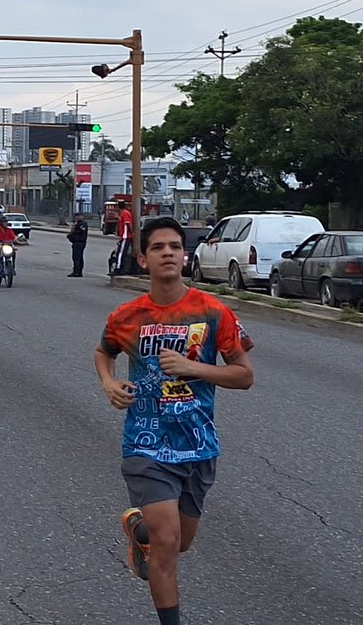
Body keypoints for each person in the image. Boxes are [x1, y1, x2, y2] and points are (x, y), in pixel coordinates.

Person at [94, 217, 255, 625]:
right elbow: (104, 351)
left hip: (198, 443)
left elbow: (244, 376)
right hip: (146, 442)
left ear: (185, 256)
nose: (168, 252)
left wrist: (194, 367)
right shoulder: (126, 316)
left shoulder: (213, 311)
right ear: (143, 258)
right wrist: (109, 382)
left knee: (179, 542)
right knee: (167, 542)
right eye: (158, 247)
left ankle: (139, 530)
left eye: (175, 246)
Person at [114, 204, 135, 275]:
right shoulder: (123, 213)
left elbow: (127, 224)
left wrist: (131, 233)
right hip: (124, 236)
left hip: (125, 236)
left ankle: (119, 268)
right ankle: (119, 267)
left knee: (121, 253)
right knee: (120, 252)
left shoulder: (125, 213)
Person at [67, 211, 89, 278]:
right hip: (76, 242)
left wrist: (74, 231)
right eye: (76, 216)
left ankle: (77, 272)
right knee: (76, 257)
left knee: (77, 257)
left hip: (79, 242)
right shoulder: (77, 224)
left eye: (78, 216)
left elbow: (81, 231)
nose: (76, 218)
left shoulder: (83, 224)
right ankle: (77, 271)